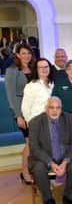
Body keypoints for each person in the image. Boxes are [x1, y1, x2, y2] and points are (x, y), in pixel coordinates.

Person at [28, 97, 72, 204]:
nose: (55, 111)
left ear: (61, 109)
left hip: (64, 156)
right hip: (43, 157)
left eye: (58, 108)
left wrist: (65, 162)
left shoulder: (70, 119)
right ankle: (48, 201)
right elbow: (34, 148)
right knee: (38, 169)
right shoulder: (35, 122)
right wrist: (51, 163)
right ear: (46, 108)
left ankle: (68, 196)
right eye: (51, 108)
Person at [5, 44, 35, 184]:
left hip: (35, 111)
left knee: (36, 143)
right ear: (17, 55)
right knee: (29, 143)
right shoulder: (12, 71)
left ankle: (34, 170)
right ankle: (25, 173)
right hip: (22, 112)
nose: (27, 56)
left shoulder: (34, 68)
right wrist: (18, 115)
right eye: (23, 53)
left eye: (28, 53)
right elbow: (11, 95)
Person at [22, 58, 55, 123]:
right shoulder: (31, 86)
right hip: (37, 122)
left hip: (53, 121)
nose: (44, 69)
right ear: (36, 69)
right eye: (41, 67)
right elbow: (25, 109)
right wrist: (31, 125)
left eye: (46, 67)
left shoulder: (53, 84)